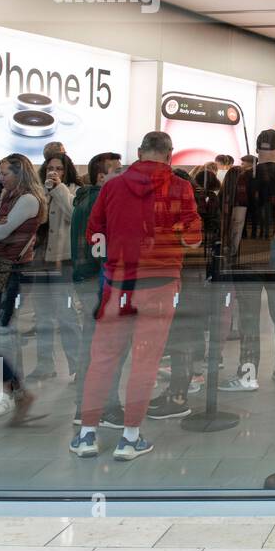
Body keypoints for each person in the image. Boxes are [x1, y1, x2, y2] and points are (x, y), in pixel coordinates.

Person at [70, 131, 202, 459]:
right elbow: (193, 237)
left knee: (102, 358)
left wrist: (114, 254)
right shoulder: (181, 187)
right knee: (146, 360)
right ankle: (130, 437)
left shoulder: (112, 186)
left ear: (141, 152)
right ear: (169, 155)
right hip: (159, 284)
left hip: (117, 283)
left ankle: (87, 433)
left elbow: (94, 232)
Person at [218, 129, 275, 391]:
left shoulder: (245, 177)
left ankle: (248, 373)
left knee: (250, 314)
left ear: (257, 148)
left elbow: (238, 217)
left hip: (251, 250)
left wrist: (233, 247)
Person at [0, 154, 47, 424]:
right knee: (2, 330)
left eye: (5, 173)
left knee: (3, 331)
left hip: (12, 269)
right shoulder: (8, 198)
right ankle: (14, 391)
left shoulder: (27, 200)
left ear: (20, 174)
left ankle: (12, 391)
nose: (0, 178)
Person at [69, 153, 126, 427]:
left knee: (93, 346)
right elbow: (99, 247)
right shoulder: (98, 202)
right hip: (97, 281)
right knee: (105, 347)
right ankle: (105, 406)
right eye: (116, 170)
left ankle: (86, 406)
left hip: (89, 280)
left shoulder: (86, 198)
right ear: (101, 176)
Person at [32, 152, 79, 381]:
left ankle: (77, 365)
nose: (54, 172)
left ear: (66, 170)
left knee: (66, 314)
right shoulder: (41, 190)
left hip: (63, 259)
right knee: (41, 316)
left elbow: (74, 215)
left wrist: (59, 190)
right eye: (50, 168)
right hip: (40, 258)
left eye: (59, 168)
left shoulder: (74, 191)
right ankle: (44, 364)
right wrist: (45, 195)